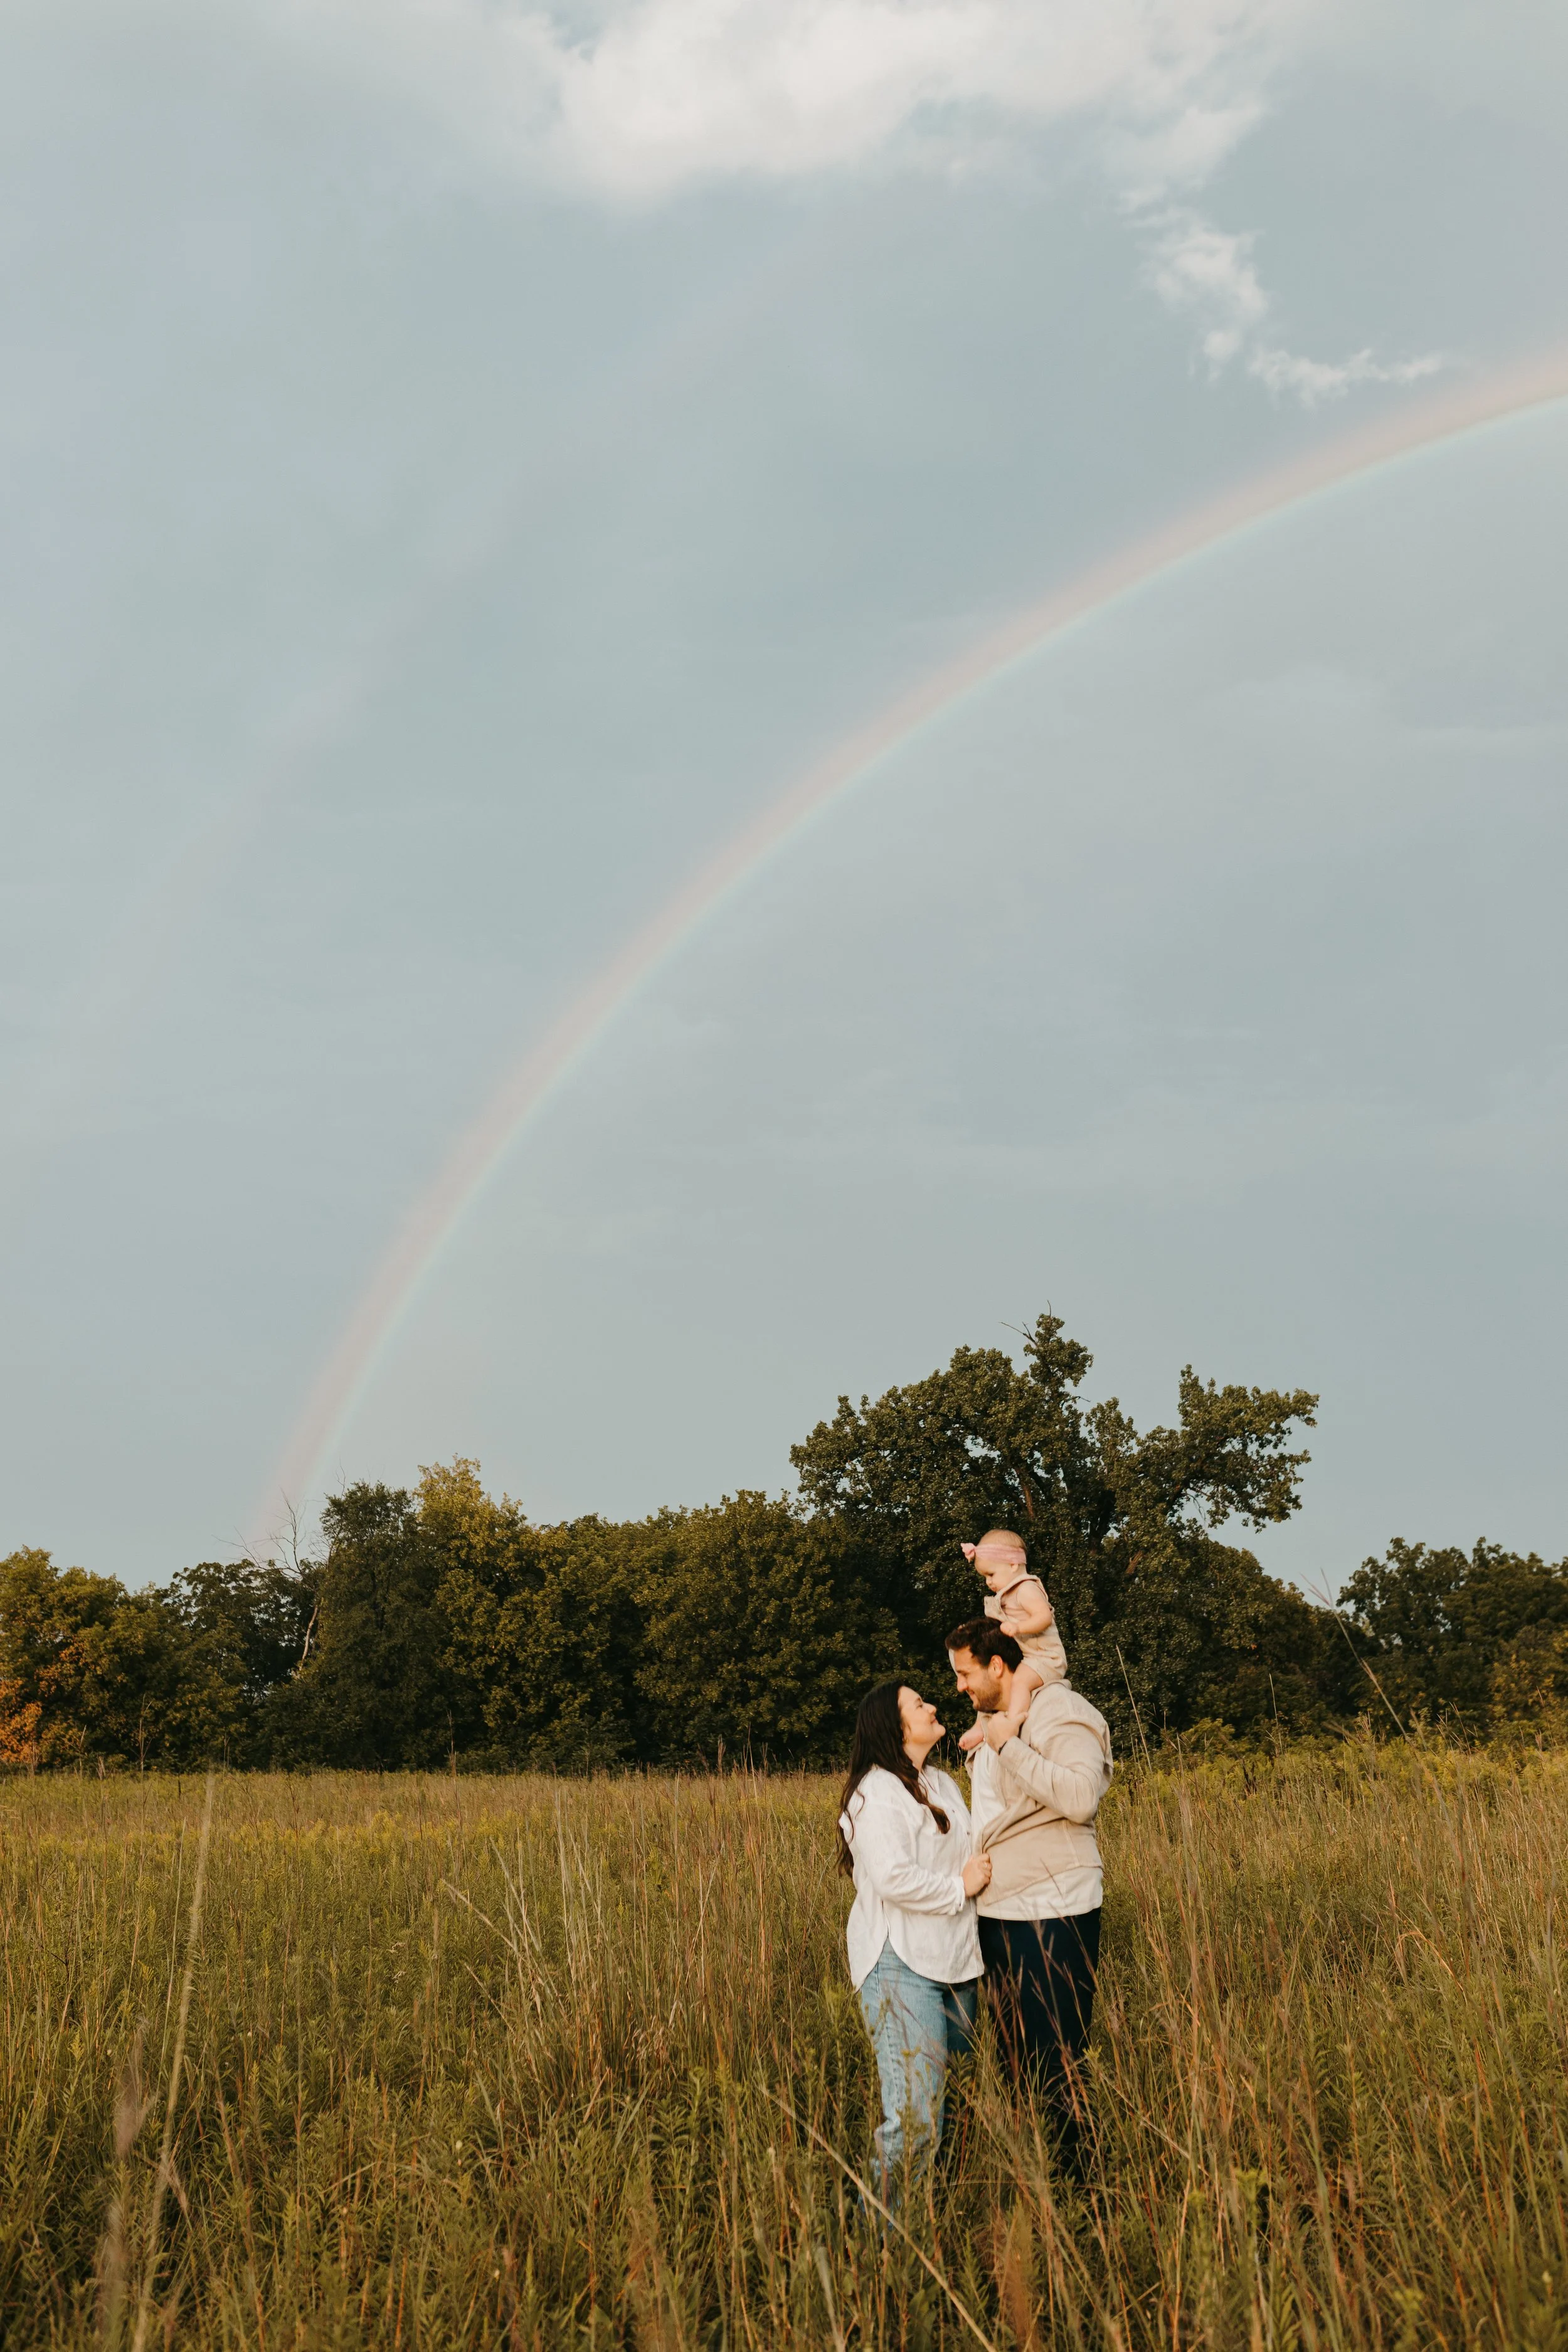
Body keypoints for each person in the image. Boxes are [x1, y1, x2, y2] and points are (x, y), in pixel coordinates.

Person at [947, 1617, 1113, 2178]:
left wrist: (1009, 1746)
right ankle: (1034, 2179)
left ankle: (1084, 2190)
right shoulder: (993, 1721)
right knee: (1016, 2062)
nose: (960, 1686)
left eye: (965, 1673)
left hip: (1054, 1905)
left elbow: (1082, 1795)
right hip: (999, 1910)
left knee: (1058, 2061)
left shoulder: (1059, 1710)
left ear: (998, 1665)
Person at [837, 1682, 993, 2197]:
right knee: (916, 2119)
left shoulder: (943, 1783)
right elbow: (893, 1878)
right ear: (894, 1726)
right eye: (917, 1704)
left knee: (955, 2110)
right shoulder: (875, 1791)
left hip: (956, 1962)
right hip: (900, 1965)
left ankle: (930, 2227)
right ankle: (873, 2250)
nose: (931, 1705)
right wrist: (960, 1887)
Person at [955, 1528, 1068, 1756]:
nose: (988, 1582)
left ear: (1013, 1565)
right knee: (991, 1685)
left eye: (991, 1575)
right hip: (1026, 1656)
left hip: (1045, 1657)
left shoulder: (1026, 1589)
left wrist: (1019, 1627)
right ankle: (982, 1727)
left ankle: (1013, 1724)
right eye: (985, 1577)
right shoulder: (1006, 1595)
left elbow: (1043, 1617)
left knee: (1019, 1683)